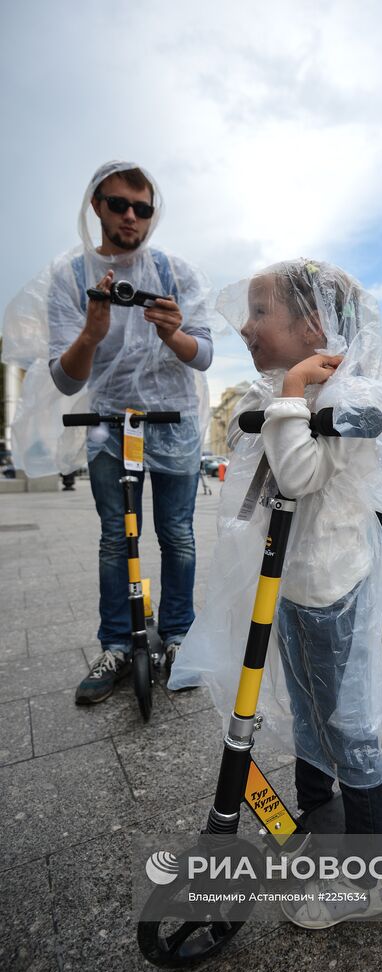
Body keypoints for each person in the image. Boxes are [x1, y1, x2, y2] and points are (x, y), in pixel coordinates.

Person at [170, 259, 382, 927]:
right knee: (307, 714)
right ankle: (318, 817)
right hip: (294, 589)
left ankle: (368, 878)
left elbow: (298, 472)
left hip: (332, 586)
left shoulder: (346, 398)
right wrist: (285, 392)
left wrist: (294, 392)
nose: (244, 324)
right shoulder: (291, 388)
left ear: (312, 326)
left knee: (348, 724)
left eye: (259, 311)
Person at [2, 161, 215, 705]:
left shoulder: (175, 273)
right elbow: (64, 376)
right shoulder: (72, 277)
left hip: (173, 420)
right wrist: (92, 333)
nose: (130, 217)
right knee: (115, 539)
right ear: (95, 204)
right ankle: (117, 643)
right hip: (106, 424)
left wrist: (174, 335)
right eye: (118, 204)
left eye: (142, 209)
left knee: (179, 536)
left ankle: (178, 638)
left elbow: (205, 355)